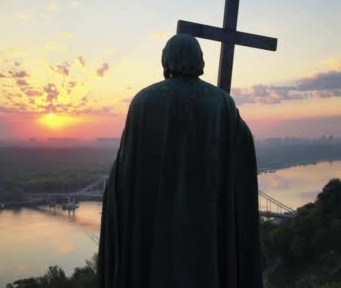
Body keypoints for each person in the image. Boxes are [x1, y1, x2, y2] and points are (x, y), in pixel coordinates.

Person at [98, 34, 262, 288]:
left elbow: (126, 169)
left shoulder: (143, 102)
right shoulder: (222, 103)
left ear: (166, 60)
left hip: (153, 224)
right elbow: (241, 153)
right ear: (199, 60)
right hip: (207, 219)